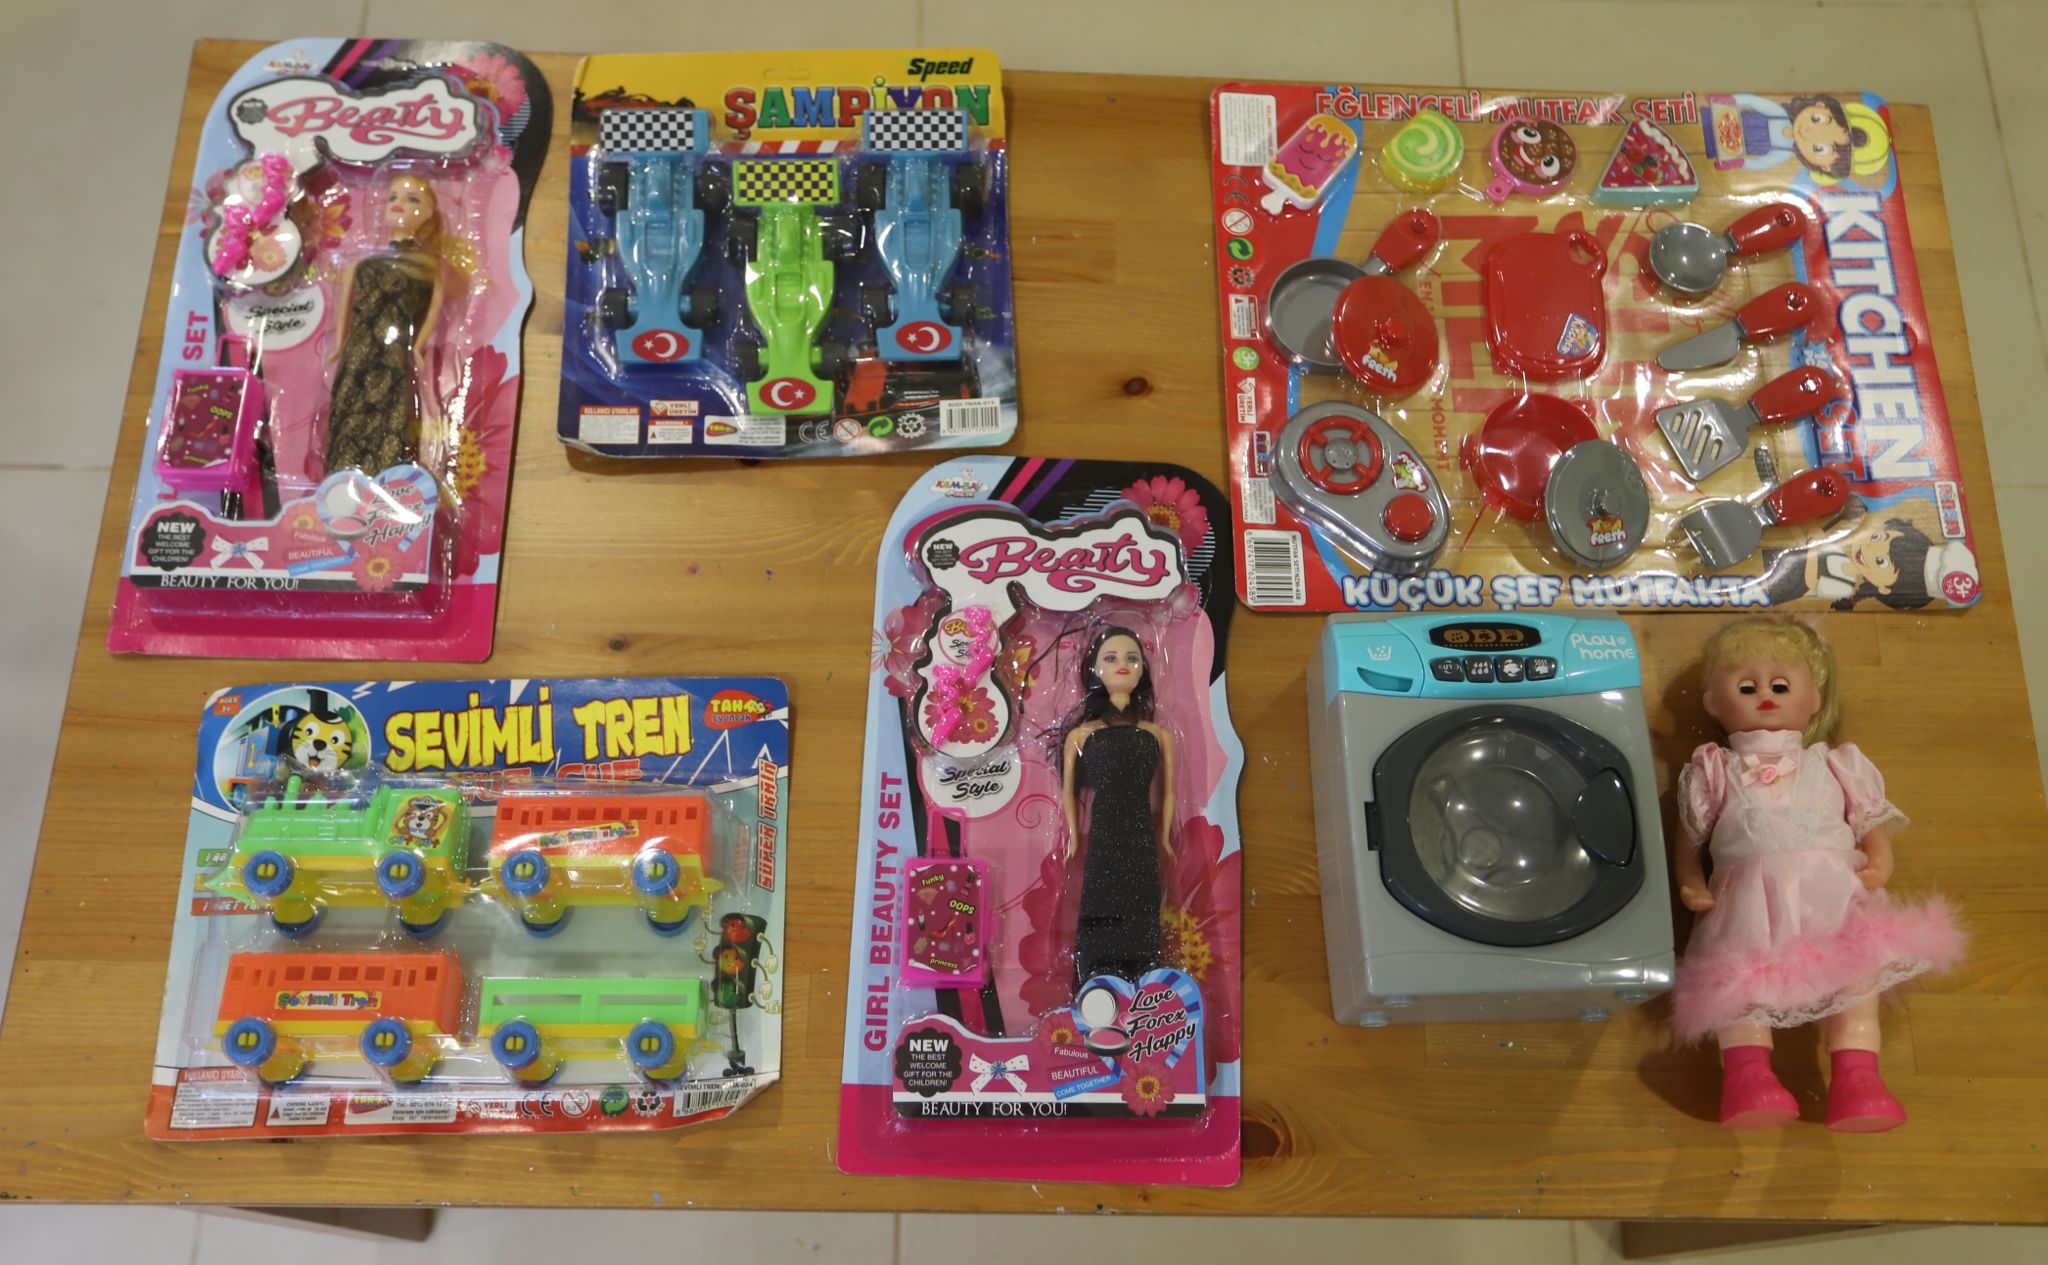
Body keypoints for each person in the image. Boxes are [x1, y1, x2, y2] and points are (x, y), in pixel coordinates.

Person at [1672, 617, 1963, 1132]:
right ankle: (1747, 1077)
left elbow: (1868, 823)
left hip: (1832, 890)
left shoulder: (1836, 764)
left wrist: (1880, 858)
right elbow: (1689, 840)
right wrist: (1691, 879)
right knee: (1740, 985)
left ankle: (1859, 1079)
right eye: (1747, 686)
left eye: (1781, 685)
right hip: (1747, 900)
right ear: (1713, 703)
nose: (1765, 694)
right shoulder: (1713, 770)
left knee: (1855, 978)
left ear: (1814, 700)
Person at [1061, 626, 1175, 985]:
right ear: (1095, 669)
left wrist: (1166, 837)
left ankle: (1143, 982)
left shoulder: (1159, 735)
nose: (1122, 664)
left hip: (1141, 834)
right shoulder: (1082, 735)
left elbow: (1168, 793)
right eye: (1110, 658)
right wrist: (1072, 836)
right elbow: (1068, 792)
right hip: (1104, 832)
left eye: (1131, 658)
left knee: (1142, 904)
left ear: (1143, 669)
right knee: (1100, 901)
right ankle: (1094, 979)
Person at [323, 173, 458, 475]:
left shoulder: (429, 266)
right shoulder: (361, 263)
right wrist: (339, 346)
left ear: (427, 213)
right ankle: (343, 475)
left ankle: (387, 476)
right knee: (350, 409)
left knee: (390, 412)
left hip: (394, 352)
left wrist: (418, 347)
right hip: (359, 348)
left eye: (412, 200)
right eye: (393, 198)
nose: (399, 204)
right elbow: (345, 308)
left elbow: (433, 309)